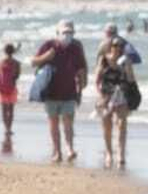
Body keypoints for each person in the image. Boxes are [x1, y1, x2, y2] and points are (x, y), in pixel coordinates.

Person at [31, 20, 89, 163]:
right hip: (51, 92)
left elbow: (81, 69)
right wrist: (46, 57)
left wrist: (81, 90)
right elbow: (33, 62)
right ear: (58, 33)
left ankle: (69, 149)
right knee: (53, 122)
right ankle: (57, 151)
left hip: (69, 92)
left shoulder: (76, 48)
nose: (67, 35)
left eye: (70, 32)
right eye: (64, 33)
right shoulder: (49, 45)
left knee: (68, 120)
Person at [95, 36, 137, 168]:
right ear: (110, 46)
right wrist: (100, 95)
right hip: (106, 95)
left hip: (121, 95)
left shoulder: (125, 61)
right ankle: (108, 153)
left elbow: (131, 80)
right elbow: (97, 79)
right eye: (115, 45)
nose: (117, 48)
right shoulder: (103, 60)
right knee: (107, 126)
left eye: (120, 46)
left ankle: (121, 155)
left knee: (121, 124)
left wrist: (128, 66)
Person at [0, 43, 21, 139]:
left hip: (1, 88)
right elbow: (17, 76)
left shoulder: (0, 62)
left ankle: (6, 128)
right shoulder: (16, 63)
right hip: (12, 88)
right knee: (11, 109)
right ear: (13, 51)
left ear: (4, 51)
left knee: (3, 109)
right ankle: (9, 128)